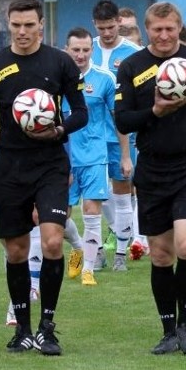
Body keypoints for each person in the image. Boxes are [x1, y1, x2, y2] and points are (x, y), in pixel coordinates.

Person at [0, 0, 87, 355]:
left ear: (41, 25)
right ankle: (21, 329)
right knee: (16, 250)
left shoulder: (60, 62)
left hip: (50, 164)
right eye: (16, 26)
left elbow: (81, 112)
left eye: (29, 26)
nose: (22, 32)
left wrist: (59, 129)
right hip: (9, 167)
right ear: (7, 24)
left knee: (52, 241)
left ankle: (47, 327)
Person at [114, 1, 186, 355]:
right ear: (148, 29)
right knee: (161, 256)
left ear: (180, 28)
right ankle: (167, 331)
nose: (164, 36)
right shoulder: (132, 66)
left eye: (170, 29)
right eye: (157, 29)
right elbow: (123, 120)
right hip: (153, 169)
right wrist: (155, 111)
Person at [63, 27, 121, 286]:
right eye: (76, 49)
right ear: (67, 49)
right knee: (59, 216)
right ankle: (77, 246)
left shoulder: (105, 79)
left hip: (95, 156)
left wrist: (126, 156)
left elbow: (118, 120)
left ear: (92, 50)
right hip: (63, 157)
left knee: (91, 211)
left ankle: (88, 268)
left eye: (86, 50)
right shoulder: (57, 79)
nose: (81, 55)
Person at [91, 0, 138, 271]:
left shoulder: (133, 52)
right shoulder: (87, 50)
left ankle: (121, 252)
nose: (106, 33)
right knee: (96, 193)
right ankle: (105, 244)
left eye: (110, 27)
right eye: (101, 28)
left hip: (123, 134)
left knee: (122, 192)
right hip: (92, 136)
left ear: (119, 22)